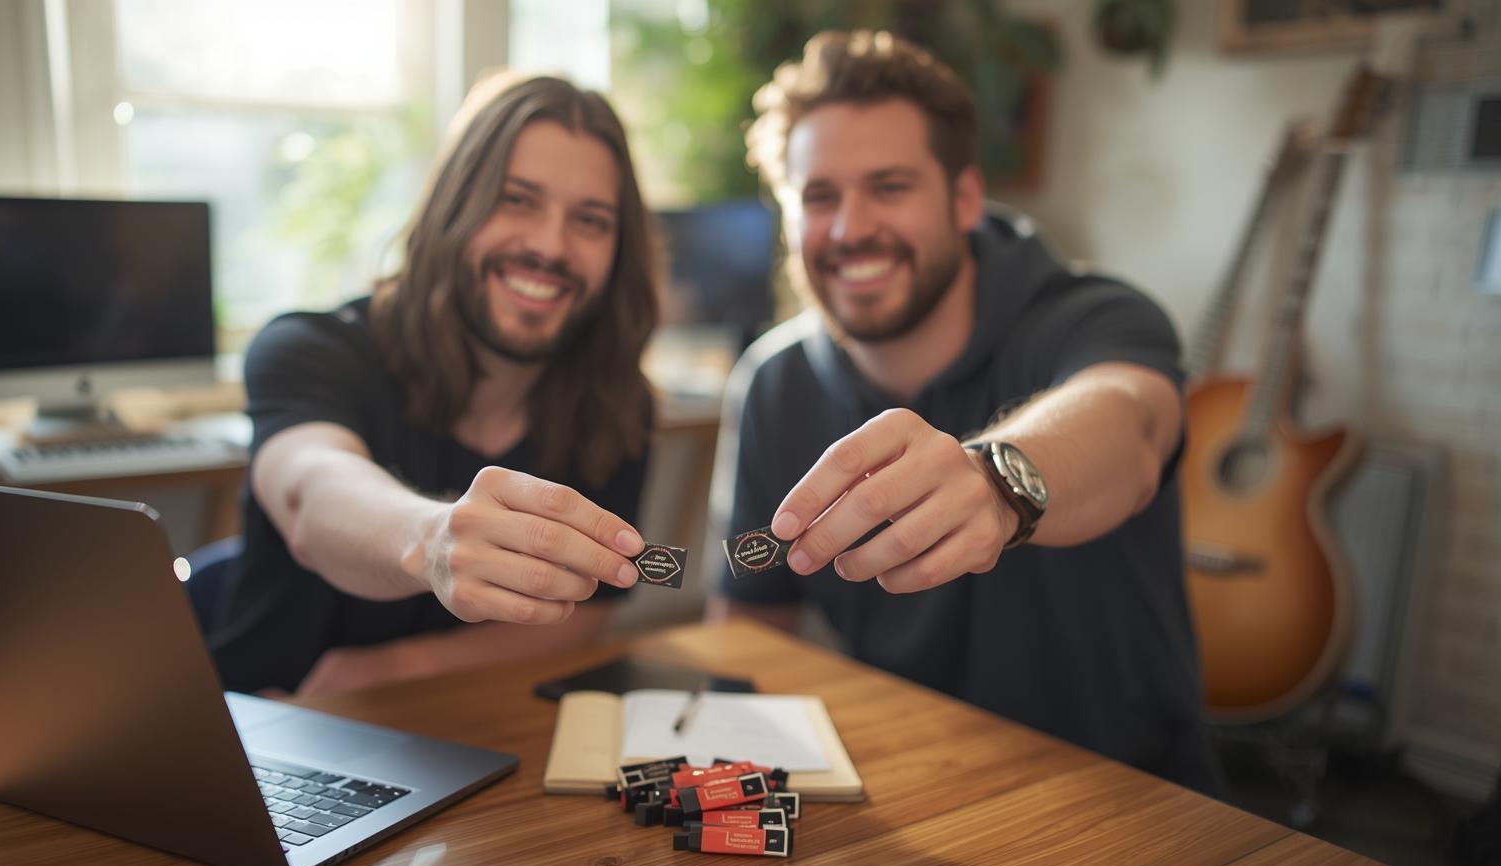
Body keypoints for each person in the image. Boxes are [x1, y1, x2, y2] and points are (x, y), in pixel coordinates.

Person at [707, 30, 1220, 793]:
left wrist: (998, 482)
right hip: (908, 799)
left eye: (890, 186)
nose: (850, 229)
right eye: (818, 196)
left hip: (1129, 801)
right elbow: (750, 628)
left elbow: (1129, 423)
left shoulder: (1096, 316)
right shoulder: (772, 385)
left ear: (966, 199)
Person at [207, 74, 662, 698]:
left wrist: (389, 673)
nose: (550, 246)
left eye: (589, 220)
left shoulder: (617, 404)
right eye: (517, 199)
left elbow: (589, 613)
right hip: (262, 732)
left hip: (458, 733)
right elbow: (313, 495)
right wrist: (432, 539)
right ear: (455, 205)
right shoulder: (312, 350)